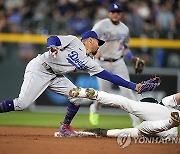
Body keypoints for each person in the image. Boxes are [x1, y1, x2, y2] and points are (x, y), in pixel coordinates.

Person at [0, 30, 155, 137]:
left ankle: (64, 128)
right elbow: (52, 38)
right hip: (40, 68)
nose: (98, 46)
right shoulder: (74, 42)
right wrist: (53, 47)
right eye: (97, 43)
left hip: (55, 75)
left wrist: (134, 86)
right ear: (90, 40)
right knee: (21, 104)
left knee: (77, 97)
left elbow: (110, 77)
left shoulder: (90, 62)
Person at [89, 3, 144, 126]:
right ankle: (95, 108)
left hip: (118, 62)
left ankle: (137, 124)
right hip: (102, 62)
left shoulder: (125, 29)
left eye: (118, 12)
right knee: (104, 94)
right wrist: (94, 51)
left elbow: (124, 45)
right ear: (109, 14)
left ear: (121, 14)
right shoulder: (100, 25)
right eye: (113, 12)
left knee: (128, 92)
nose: (115, 14)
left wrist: (131, 57)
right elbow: (89, 40)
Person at [69, 87, 180, 139]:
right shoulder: (166, 104)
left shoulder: (161, 104)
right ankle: (172, 121)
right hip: (170, 133)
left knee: (129, 106)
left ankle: (95, 95)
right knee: (140, 128)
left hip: (163, 121)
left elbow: (119, 133)